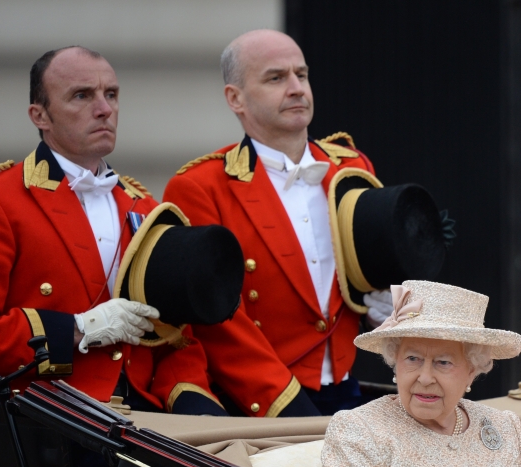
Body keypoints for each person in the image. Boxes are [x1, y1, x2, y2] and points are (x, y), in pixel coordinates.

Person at [163, 29, 394, 418]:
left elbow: (363, 278)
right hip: (257, 404)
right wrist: (287, 407)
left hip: (345, 391)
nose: (296, 88)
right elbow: (217, 325)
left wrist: (382, 308)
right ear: (235, 98)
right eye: (275, 78)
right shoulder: (199, 187)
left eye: (301, 75)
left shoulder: (351, 168)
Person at [0, 46, 225, 415]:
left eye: (112, 94)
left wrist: (198, 406)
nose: (104, 109)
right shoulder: (4, 199)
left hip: (145, 419)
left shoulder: (145, 207)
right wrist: (77, 328)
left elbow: (176, 337)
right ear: (40, 116)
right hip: (48, 420)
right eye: (82, 95)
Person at [321, 281, 521, 467]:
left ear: (471, 371)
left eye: (443, 362)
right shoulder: (360, 431)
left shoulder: (505, 428)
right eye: (412, 358)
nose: (425, 377)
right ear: (395, 361)